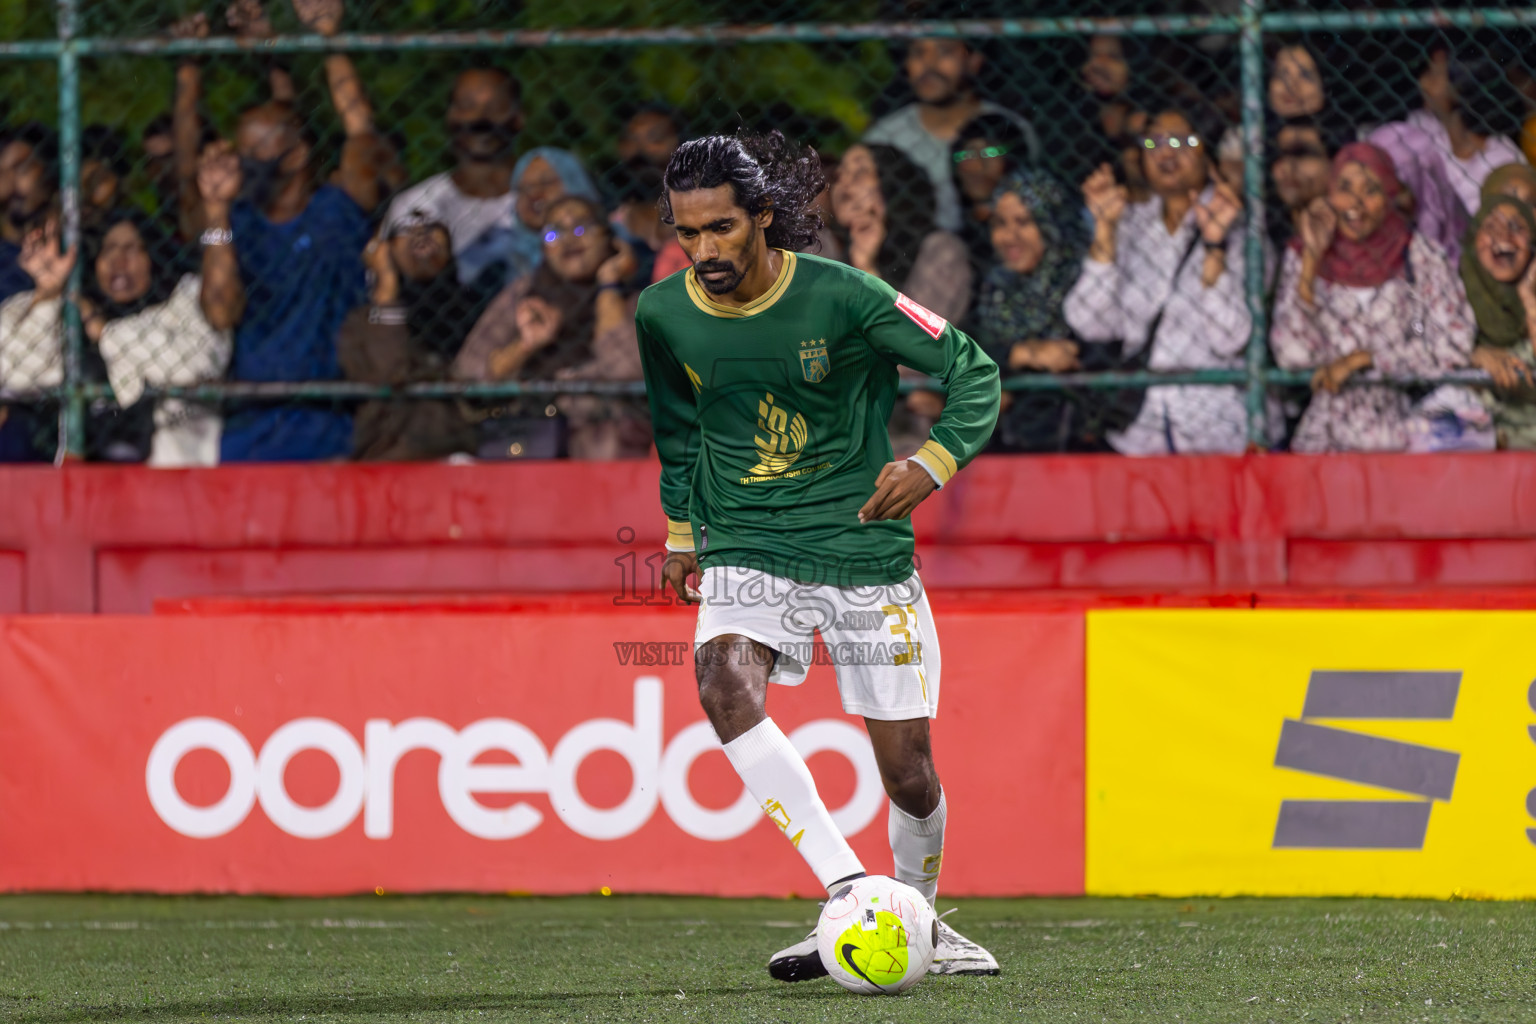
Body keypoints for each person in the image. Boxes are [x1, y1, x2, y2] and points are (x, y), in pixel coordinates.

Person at [638, 131, 1002, 980]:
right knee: (722, 680)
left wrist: (930, 461)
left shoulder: (846, 297)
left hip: (860, 548)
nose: (704, 251)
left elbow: (973, 372)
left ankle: (920, 920)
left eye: (722, 228)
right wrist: (681, 535)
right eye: (687, 233)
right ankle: (848, 893)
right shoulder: (662, 312)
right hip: (745, 538)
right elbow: (677, 430)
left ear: (763, 217)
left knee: (909, 776)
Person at [198, 0, 391, 462]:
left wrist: (330, 39)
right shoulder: (236, 221)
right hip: (252, 425)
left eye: (254, 151)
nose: (243, 162)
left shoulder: (333, 212)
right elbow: (221, 312)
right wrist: (215, 211)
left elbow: (360, 130)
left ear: (297, 157)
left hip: (330, 420)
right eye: (238, 151)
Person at [1063, 108, 1255, 455]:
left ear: (1207, 153)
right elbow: (1091, 323)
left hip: (1217, 429)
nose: (1166, 153)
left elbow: (1231, 338)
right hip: (1141, 430)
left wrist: (1214, 246)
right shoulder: (1131, 224)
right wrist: (1105, 232)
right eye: (1153, 142)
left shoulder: (1242, 230)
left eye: (1183, 141)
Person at [1270, 143, 1485, 453]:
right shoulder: (1304, 256)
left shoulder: (1417, 257)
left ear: (1389, 196)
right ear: (1330, 193)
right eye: (1344, 188)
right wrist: (1310, 262)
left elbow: (1449, 344)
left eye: (1370, 189)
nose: (1355, 203)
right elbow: (1292, 354)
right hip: (1324, 440)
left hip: (1400, 437)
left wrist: (1366, 360)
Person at [453, 195, 650, 460]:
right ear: (543, 249)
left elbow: (629, 372)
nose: (569, 239)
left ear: (609, 238)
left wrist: (608, 287)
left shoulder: (632, 302)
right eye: (554, 233)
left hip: (597, 446)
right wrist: (524, 346)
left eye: (582, 227)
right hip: (524, 436)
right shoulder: (523, 294)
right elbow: (467, 374)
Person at [831, 142, 972, 455]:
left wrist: (867, 267)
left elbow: (916, 350)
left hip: (912, 435)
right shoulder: (826, 252)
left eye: (860, 173)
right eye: (841, 175)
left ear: (891, 182)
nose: (844, 185)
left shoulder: (941, 251)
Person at [971, 169, 1103, 452]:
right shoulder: (994, 287)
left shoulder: (1082, 280)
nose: (1009, 236)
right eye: (1000, 223)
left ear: (1051, 222)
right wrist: (1022, 353)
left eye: (1025, 222)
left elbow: (1080, 357)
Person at [339, 215, 488, 460]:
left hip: (456, 441)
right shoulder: (362, 322)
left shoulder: (472, 305)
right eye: (407, 231)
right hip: (389, 443)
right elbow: (390, 373)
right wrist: (387, 289)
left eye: (431, 228)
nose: (421, 236)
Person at [863, 37, 1040, 233]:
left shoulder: (1011, 130)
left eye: (944, 51)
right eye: (918, 53)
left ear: (974, 62)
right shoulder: (884, 138)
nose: (928, 65)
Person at [379, 67, 523, 264]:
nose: (480, 119)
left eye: (496, 107)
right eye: (466, 105)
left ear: (518, 118)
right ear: (450, 116)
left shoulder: (546, 200)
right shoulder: (415, 204)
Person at [453, 147, 602, 289]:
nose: (533, 194)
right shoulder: (501, 266)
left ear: (574, 182)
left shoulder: (613, 246)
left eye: (546, 183)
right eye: (523, 189)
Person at [1407, 50, 1528, 216]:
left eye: (1433, 76)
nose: (1423, 83)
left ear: (1459, 90)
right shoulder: (1420, 125)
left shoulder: (1503, 159)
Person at [1461, 186, 1536, 448]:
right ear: (1473, 238)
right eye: (1491, 225)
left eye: (1517, 227)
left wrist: (1529, 302)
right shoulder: (1444, 287)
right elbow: (1417, 332)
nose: (1504, 236)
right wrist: (1471, 355)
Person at [949, 112, 1036, 274]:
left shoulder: (1042, 221)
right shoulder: (955, 239)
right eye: (967, 154)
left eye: (990, 152)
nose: (977, 165)